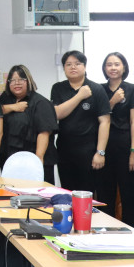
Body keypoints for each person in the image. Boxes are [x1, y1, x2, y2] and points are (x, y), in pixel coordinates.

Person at [51, 50, 111, 193]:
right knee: (67, 193)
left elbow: (105, 122)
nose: (73, 67)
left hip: (89, 152)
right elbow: (57, 114)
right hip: (64, 151)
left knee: (87, 194)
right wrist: (79, 96)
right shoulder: (58, 88)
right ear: (64, 68)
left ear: (84, 66)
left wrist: (100, 152)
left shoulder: (97, 89)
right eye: (68, 64)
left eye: (77, 63)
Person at [98, 52, 134, 229]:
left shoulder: (132, 89)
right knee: (105, 196)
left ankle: (132, 233)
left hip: (125, 146)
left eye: (117, 64)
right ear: (104, 68)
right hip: (104, 148)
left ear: (124, 67)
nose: (113, 68)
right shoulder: (99, 89)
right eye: (109, 64)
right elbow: (98, 117)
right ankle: (105, 232)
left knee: (129, 195)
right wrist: (113, 101)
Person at [0, 65, 58, 184]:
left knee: (37, 193)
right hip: (11, 161)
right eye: (12, 80)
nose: (16, 83)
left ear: (28, 81)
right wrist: (12, 107)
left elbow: (44, 132)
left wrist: (38, 160)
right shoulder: (5, 99)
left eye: (21, 79)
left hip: (34, 160)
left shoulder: (40, 102)